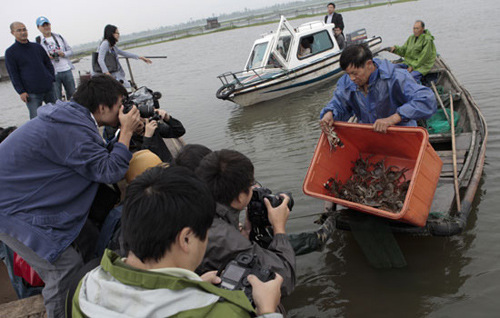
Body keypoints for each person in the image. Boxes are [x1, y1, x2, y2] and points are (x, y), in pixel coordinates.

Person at [0, 75, 142, 318]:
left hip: (20, 200)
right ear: (102, 108)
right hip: (12, 211)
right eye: (121, 106)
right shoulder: (70, 128)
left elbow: (93, 158)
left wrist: (122, 134)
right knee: (63, 270)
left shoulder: (69, 116)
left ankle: (86, 304)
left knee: (86, 244)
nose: (123, 111)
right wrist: (126, 133)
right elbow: (109, 171)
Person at [72, 166, 284, 318]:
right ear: (186, 238)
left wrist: (190, 287)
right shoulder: (223, 312)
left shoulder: (86, 285)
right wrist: (267, 310)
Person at [195, 149, 296, 296]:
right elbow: (285, 277)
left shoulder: (192, 207)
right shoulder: (224, 238)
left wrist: (243, 232)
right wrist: (279, 228)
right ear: (240, 197)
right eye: (251, 185)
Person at [320, 44, 437, 134]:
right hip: (371, 136)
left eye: (355, 73)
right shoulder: (347, 81)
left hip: (402, 135)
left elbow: (427, 99)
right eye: (348, 74)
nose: (351, 78)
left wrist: (392, 119)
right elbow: (339, 103)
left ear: (369, 64)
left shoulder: (395, 77)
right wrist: (330, 113)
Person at [5, 21, 56, 119]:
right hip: (31, 93)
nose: (23, 32)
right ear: (13, 33)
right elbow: (13, 74)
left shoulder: (37, 47)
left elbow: (48, 63)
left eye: (24, 29)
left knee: (56, 114)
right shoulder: (11, 52)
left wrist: (51, 79)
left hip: (48, 87)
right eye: (19, 30)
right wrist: (21, 91)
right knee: (36, 119)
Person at [105, 108, 186, 163]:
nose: (139, 121)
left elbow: (179, 131)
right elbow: (142, 162)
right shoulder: (124, 141)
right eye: (134, 120)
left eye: (140, 116)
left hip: (167, 165)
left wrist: (168, 118)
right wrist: (147, 137)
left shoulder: (151, 126)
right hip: (151, 176)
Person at [36, 16, 76, 100]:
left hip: (66, 69)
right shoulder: (38, 41)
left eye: (47, 24)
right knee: (56, 98)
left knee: (73, 96)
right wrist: (47, 57)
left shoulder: (59, 37)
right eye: (43, 26)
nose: (46, 27)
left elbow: (70, 51)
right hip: (52, 73)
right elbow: (38, 59)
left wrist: (63, 54)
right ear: (38, 28)